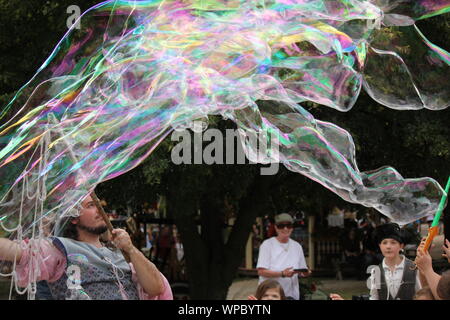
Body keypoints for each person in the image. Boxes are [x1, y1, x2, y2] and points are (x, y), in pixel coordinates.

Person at [0, 194, 166, 300]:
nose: (101, 211)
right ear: (73, 218)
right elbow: (18, 252)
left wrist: (130, 249)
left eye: (99, 205)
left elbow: (156, 287)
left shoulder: (120, 253)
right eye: (90, 206)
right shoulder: (61, 249)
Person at [330, 223, 422, 300]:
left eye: (393, 242)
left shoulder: (413, 268)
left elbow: (422, 295)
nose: (388, 246)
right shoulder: (376, 271)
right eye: (384, 243)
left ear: (401, 246)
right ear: (380, 246)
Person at [256, 213, 311, 300]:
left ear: (292, 228)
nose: (285, 228)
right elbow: (261, 271)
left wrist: (305, 273)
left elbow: (301, 271)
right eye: (281, 226)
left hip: (292, 295)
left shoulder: (297, 246)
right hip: (270, 295)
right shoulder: (267, 245)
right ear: (276, 228)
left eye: (288, 225)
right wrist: (282, 274)